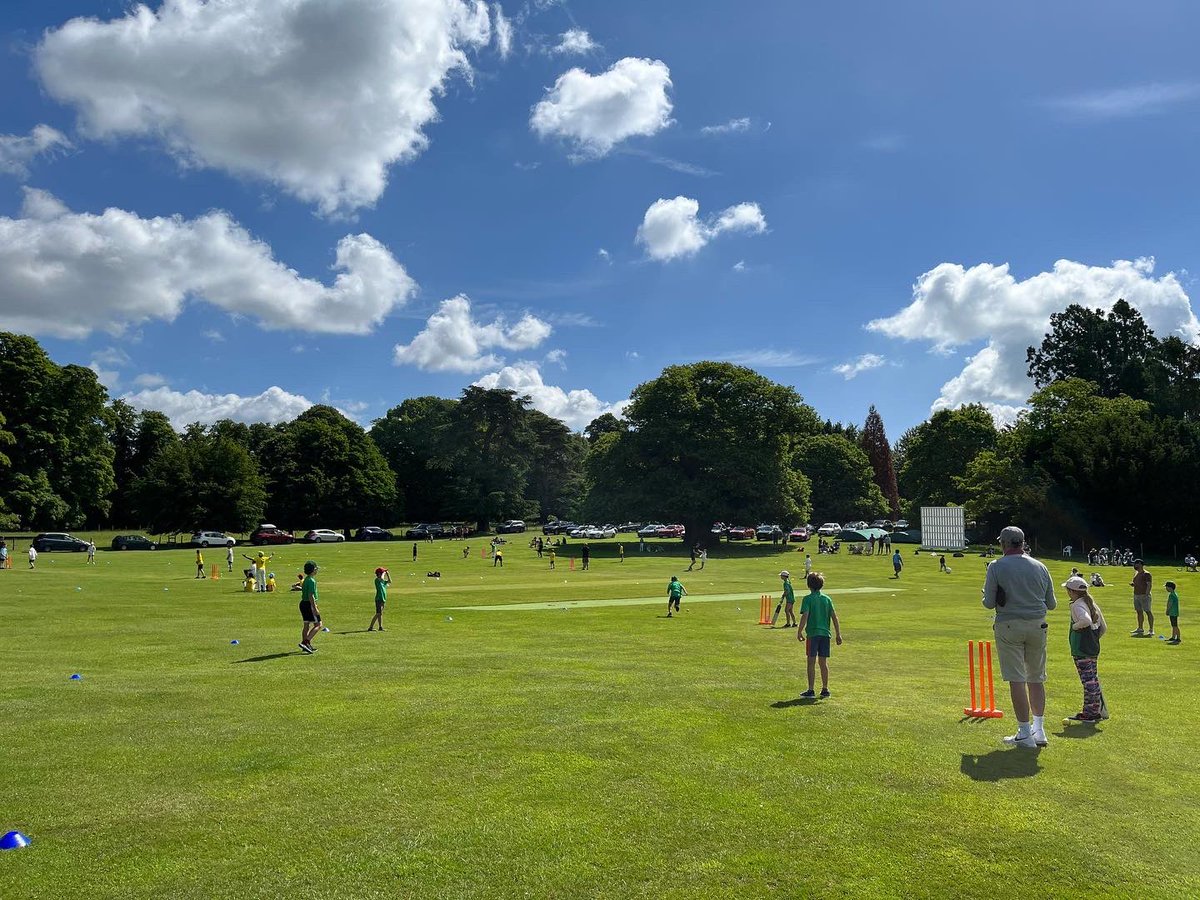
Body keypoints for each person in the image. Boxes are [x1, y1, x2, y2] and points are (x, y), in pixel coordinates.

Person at [983, 525, 1057, 749]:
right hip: (1038, 625)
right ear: (1023, 543)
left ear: (1004, 544)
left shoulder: (996, 566)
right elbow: (1051, 604)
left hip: (1009, 625)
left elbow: (988, 603)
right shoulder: (1041, 566)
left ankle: (1024, 732)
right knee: (1036, 677)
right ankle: (1039, 729)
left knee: (1017, 678)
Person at [1063, 575, 1108, 722]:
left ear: (1072, 591)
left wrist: (1075, 627)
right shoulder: (1091, 603)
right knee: (1092, 679)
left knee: (1089, 682)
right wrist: (1093, 639)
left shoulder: (1077, 605)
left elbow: (1085, 621)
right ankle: (1090, 711)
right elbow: (1103, 628)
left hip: (1081, 649)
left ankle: (1092, 713)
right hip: (1092, 648)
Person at [797, 571, 843, 698]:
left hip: (813, 634)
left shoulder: (807, 599)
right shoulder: (827, 599)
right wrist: (838, 633)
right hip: (825, 635)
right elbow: (834, 617)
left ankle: (811, 690)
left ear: (808, 585)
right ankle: (825, 689)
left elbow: (805, 616)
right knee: (823, 662)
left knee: (811, 662)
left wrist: (800, 631)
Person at [299, 560, 322, 654]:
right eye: (316, 569)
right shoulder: (312, 581)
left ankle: (306, 646)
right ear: (313, 570)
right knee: (318, 625)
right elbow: (311, 595)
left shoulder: (306, 579)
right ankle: (305, 642)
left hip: (303, 604)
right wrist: (315, 608)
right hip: (309, 604)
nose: (317, 570)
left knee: (306, 625)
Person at [1130, 559, 1154, 636]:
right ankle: (1140, 628)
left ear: (1140, 564)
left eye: (1136, 564)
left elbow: (1149, 585)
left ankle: (1151, 629)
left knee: (1148, 611)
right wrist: (1133, 584)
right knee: (1139, 611)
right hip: (1136, 595)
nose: (1134, 565)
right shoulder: (1136, 573)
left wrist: (1146, 595)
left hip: (1144, 595)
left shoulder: (1146, 574)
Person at [368, 566, 390, 632]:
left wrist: (388, 574)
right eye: (382, 572)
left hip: (383, 599)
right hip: (378, 599)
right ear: (379, 574)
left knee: (380, 614)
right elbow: (382, 579)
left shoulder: (383, 582)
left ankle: (380, 627)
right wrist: (384, 573)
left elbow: (389, 581)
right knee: (378, 613)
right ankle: (370, 627)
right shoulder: (377, 580)